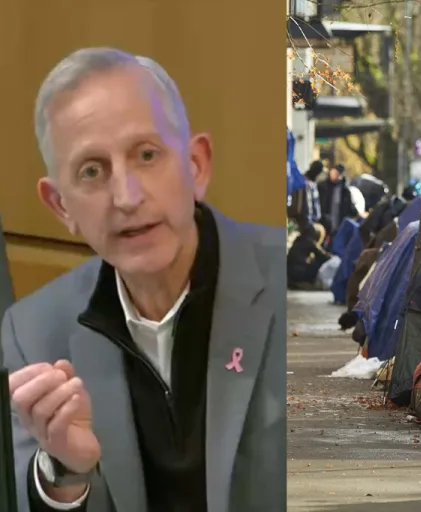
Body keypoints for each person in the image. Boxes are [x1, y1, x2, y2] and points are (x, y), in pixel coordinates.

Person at [1, 47, 285, 512]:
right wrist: (64, 472)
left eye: (147, 155)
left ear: (196, 165)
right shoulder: (32, 332)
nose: (126, 197)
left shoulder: (286, 285)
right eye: (92, 171)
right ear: (61, 205)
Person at [317, 163, 357, 236]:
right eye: (334, 172)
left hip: (338, 225)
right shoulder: (322, 186)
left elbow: (349, 208)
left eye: (338, 174)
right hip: (323, 223)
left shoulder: (345, 191)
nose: (335, 175)